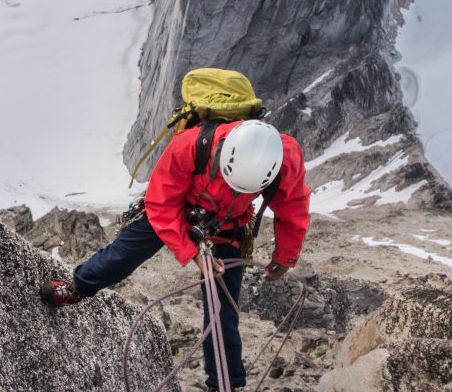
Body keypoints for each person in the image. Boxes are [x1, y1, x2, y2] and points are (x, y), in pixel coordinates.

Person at [40, 119, 311, 392]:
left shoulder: (285, 158)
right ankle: (78, 287)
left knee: (222, 309)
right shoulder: (191, 146)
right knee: (123, 254)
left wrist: (285, 256)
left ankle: (224, 384)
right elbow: (161, 203)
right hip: (177, 206)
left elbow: (292, 205)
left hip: (228, 223)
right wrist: (194, 254)